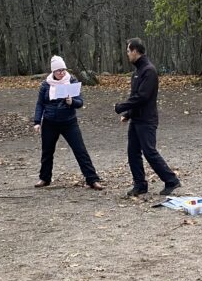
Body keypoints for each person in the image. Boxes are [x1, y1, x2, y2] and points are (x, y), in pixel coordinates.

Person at [114, 38, 181, 197]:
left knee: (149, 152)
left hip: (147, 120)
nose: (127, 54)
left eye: (129, 51)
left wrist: (122, 106)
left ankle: (171, 180)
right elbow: (135, 96)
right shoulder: (137, 72)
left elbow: (143, 97)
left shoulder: (149, 71)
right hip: (136, 119)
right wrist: (128, 115)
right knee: (133, 153)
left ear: (136, 51)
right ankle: (140, 184)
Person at [32, 55, 104, 190]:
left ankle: (92, 179)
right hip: (50, 122)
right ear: (53, 71)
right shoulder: (45, 85)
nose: (61, 73)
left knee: (80, 150)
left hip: (69, 122)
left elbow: (80, 102)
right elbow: (40, 104)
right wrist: (37, 122)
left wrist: (72, 102)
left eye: (63, 70)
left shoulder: (71, 81)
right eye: (58, 70)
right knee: (47, 152)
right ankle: (44, 178)